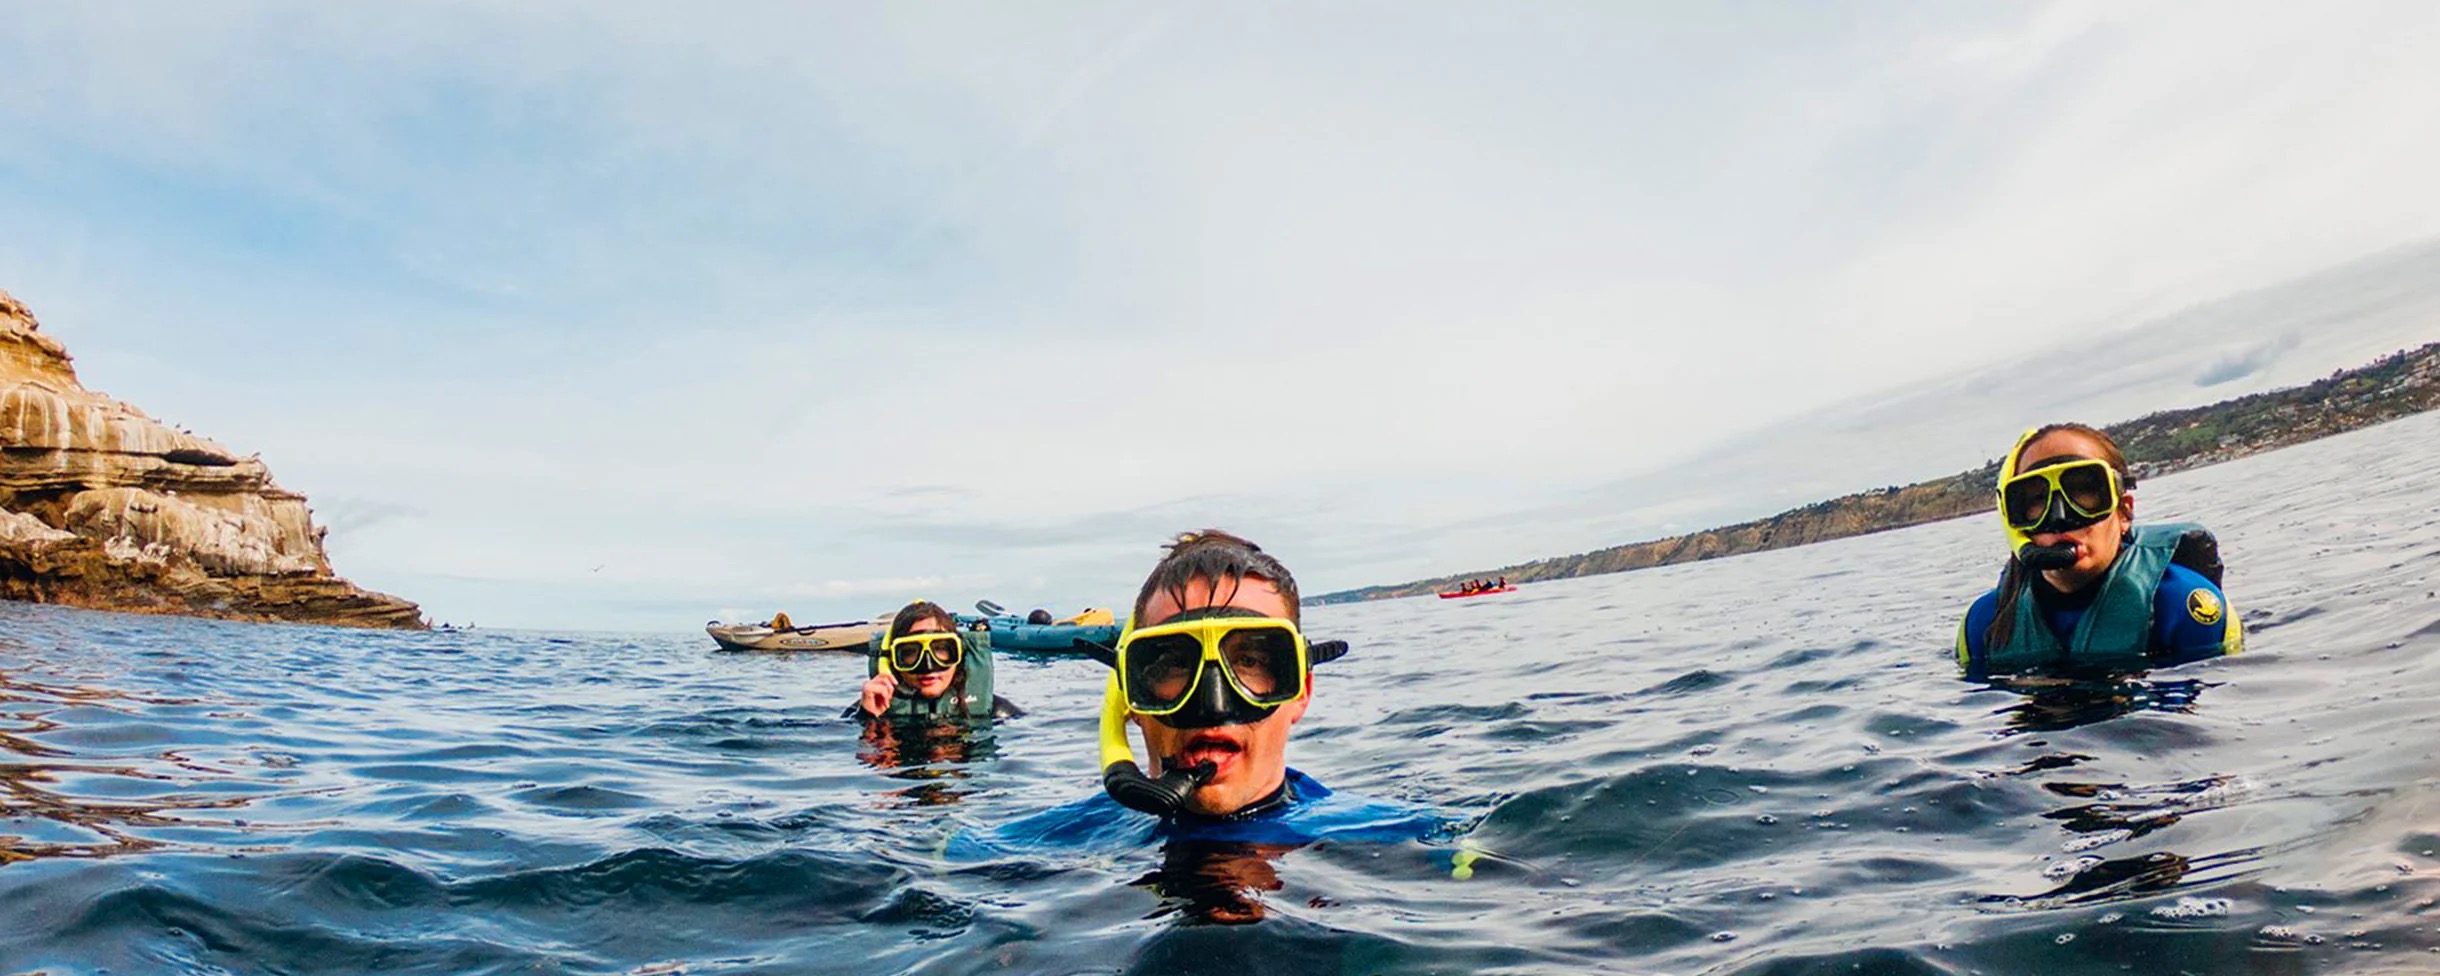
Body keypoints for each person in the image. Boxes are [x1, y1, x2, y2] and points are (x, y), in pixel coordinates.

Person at [1957, 424, 2243, 678]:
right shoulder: (1983, 627)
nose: (2060, 519)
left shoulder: (2183, 608)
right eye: (2035, 501)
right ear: (2016, 525)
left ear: (2124, 513)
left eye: (2084, 493)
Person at [850, 600, 1022, 723]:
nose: (928, 666)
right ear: (892, 661)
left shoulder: (999, 713)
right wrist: (867, 719)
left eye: (940, 649)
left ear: (960, 655)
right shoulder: (865, 711)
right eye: (910, 652)